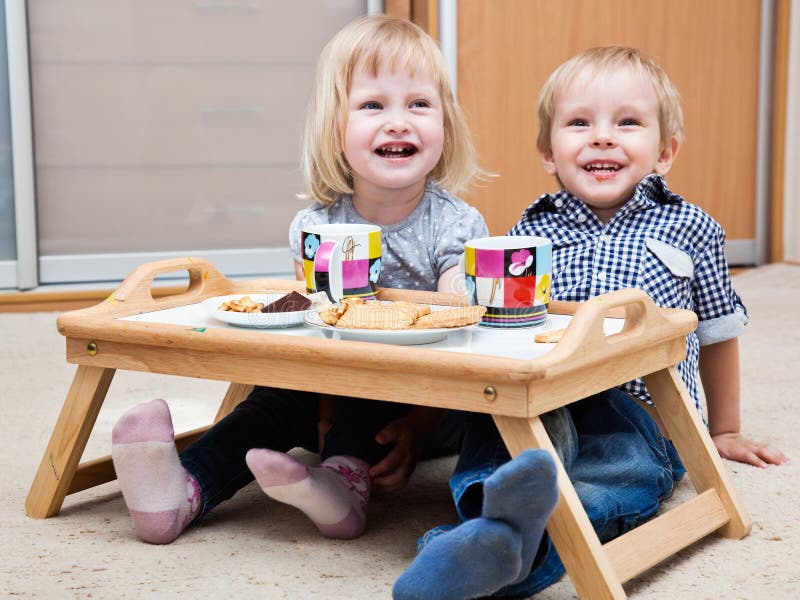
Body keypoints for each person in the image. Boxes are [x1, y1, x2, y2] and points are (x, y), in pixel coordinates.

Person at [393, 45, 789, 600]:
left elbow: (718, 331)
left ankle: (489, 549)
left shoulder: (692, 228)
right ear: (548, 152)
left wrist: (722, 429)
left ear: (665, 150)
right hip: (545, 398)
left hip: (641, 414)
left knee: (611, 483)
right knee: (496, 410)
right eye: (579, 123)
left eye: (627, 122)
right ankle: (491, 510)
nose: (602, 137)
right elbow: (501, 328)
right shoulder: (531, 231)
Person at [110, 15, 488, 545]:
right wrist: (324, 412)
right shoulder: (317, 226)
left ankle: (339, 490)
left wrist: (423, 419)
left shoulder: (455, 223)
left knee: (368, 370)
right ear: (335, 126)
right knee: (271, 402)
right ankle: (183, 488)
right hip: (329, 383)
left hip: (430, 402)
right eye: (373, 105)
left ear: (446, 122)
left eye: (419, 104)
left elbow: (462, 321)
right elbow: (313, 328)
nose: (399, 122)